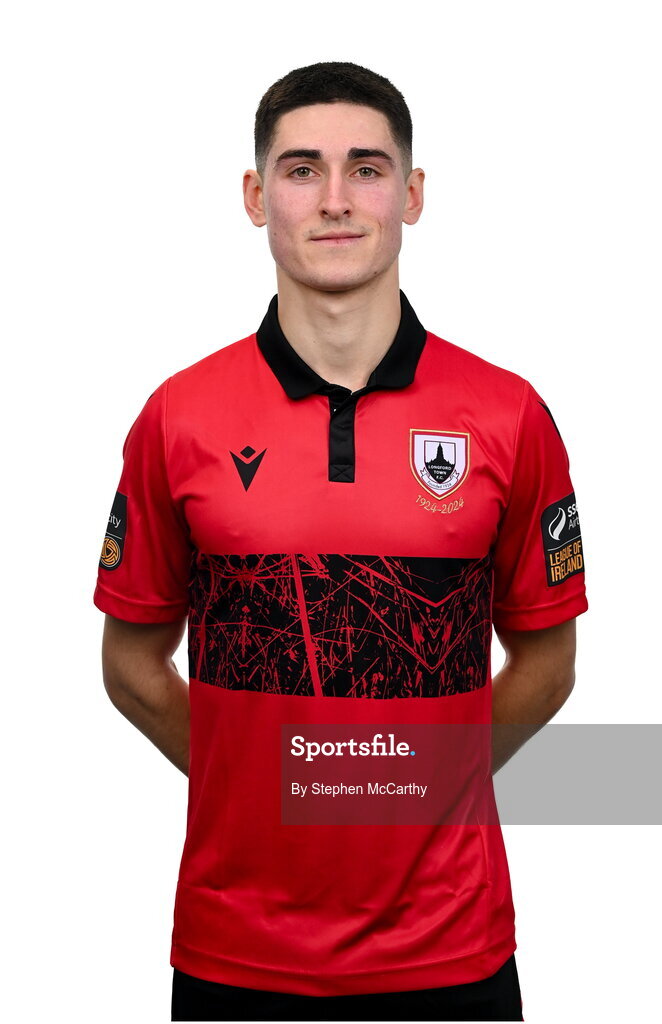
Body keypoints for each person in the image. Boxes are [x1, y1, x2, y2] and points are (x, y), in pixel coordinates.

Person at [93, 61, 588, 1022]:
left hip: (453, 952)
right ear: (255, 195)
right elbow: (131, 666)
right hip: (236, 952)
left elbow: (548, 658)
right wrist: (261, 777)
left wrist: (409, 784)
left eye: (365, 169)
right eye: (300, 168)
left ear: (409, 196)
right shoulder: (177, 417)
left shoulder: (509, 414)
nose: (333, 200)